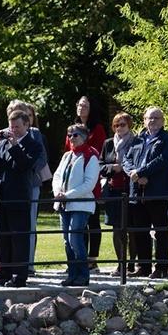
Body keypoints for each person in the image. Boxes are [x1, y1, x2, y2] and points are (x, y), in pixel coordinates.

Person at [0, 110, 43, 288]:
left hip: (19, 197)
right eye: (11, 126)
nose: (13, 130)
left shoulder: (34, 145)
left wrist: (16, 145)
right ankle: (6, 270)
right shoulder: (4, 143)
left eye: (17, 127)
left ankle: (20, 275)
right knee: (4, 237)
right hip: (2, 196)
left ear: (26, 125)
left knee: (19, 238)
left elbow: (25, 166)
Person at [121, 106, 168, 279]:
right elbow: (126, 159)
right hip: (137, 192)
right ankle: (143, 267)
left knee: (161, 231)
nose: (152, 121)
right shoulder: (138, 139)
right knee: (140, 231)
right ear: (144, 120)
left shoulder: (167, 139)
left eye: (156, 118)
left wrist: (141, 172)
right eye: (149, 118)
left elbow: (164, 161)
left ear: (162, 121)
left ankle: (161, 268)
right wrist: (135, 175)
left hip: (157, 191)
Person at [53, 124, 99, 286]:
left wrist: (67, 195)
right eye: (69, 135)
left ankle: (83, 275)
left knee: (75, 238)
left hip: (81, 204)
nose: (71, 138)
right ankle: (72, 274)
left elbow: (89, 184)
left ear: (84, 137)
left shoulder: (90, 156)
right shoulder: (67, 156)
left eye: (75, 135)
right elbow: (57, 176)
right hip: (64, 204)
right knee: (67, 240)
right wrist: (58, 192)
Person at [6, 100, 48, 276]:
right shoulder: (5, 134)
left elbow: (41, 158)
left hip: (30, 183)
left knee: (29, 225)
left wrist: (28, 173)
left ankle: (28, 265)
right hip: (9, 186)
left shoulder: (35, 134)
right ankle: (9, 266)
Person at [65, 96, 106, 273]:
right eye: (79, 105)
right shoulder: (72, 128)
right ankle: (77, 259)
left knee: (93, 219)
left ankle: (92, 258)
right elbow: (68, 151)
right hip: (73, 178)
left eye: (85, 106)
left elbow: (99, 152)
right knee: (75, 224)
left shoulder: (97, 129)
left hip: (90, 178)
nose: (81, 108)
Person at [99, 112, 137, 277]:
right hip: (113, 190)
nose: (119, 128)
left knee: (133, 228)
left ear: (129, 125)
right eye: (116, 125)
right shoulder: (108, 144)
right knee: (116, 229)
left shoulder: (136, 142)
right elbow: (100, 165)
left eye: (122, 124)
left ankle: (131, 264)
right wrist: (112, 168)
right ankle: (120, 263)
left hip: (131, 190)